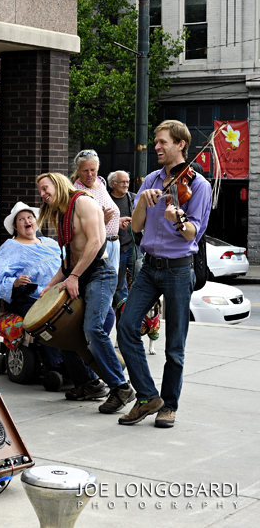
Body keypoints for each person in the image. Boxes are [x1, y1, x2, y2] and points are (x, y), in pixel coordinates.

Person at [116, 120, 211, 428]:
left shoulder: (198, 185)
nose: (156, 147)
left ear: (180, 144)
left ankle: (168, 406)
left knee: (174, 346)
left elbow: (191, 233)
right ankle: (147, 396)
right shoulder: (153, 180)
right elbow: (138, 226)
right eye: (156, 142)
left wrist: (178, 220)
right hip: (149, 267)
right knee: (127, 327)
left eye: (162, 142)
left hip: (178, 270)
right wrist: (143, 199)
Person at [36, 172, 135, 413]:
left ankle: (121, 386)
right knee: (64, 330)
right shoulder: (62, 212)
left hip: (99, 273)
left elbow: (95, 242)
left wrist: (74, 277)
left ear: (58, 184)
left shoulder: (83, 202)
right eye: (39, 190)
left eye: (45, 188)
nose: (42, 194)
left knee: (93, 329)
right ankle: (89, 383)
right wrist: (50, 286)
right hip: (80, 274)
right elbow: (69, 259)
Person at [0, 202, 64, 369]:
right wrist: (14, 282)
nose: (26, 221)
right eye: (21, 219)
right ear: (15, 226)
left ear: (35, 221)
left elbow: (68, 263)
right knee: (47, 321)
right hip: (30, 297)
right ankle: (58, 364)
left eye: (29, 217)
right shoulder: (10, 247)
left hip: (59, 293)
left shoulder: (50, 243)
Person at [70, 150, 121, 276]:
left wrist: (118, 220)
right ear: (77, 169)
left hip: (115, 243)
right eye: (85, 170)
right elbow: (76, 226)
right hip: (98, 247)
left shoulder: (101, 182)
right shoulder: (76, 192)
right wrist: (101, 222)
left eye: (93, 170)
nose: (90, 175)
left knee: (113, 288)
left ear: (98, 167)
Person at [107, 170, 137, 306]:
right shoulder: (106, 200)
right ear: (113, 184)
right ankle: (122, 309)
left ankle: (138, 307)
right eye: (123, 182)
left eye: (127, 182)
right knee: (119, 284)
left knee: (141, 274)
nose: (126, 185)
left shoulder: (133, 198)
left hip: (133, 245)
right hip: (116, 247)